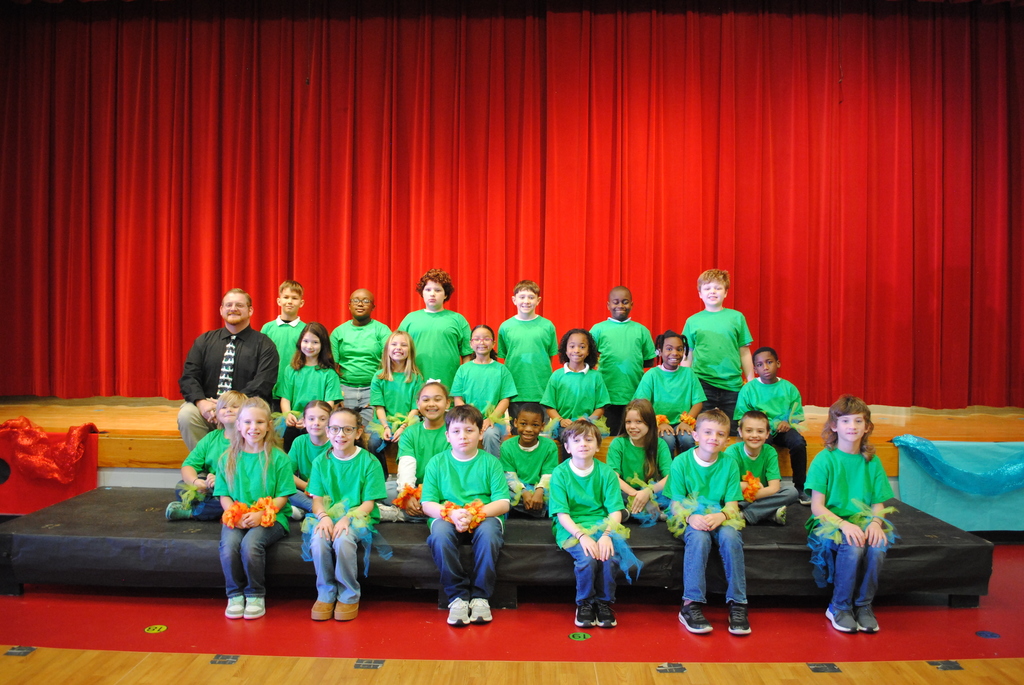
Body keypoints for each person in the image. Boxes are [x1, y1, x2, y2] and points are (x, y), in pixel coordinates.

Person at [807, 395, 896, 634]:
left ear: (867, 426)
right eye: (846, 421)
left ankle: (864, 605)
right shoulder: (825, 459)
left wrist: (876, 524)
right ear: (834, 426)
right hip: (831, 522)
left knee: (877, 547)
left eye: (859, 421)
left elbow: (878, 503)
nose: (852, 427)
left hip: (864, 520)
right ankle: (839, 606)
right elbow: (818, 507)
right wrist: (844, 526)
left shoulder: (872, 461)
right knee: (853, 545)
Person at [422, 404, 510, 626]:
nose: (463, 436)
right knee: (440, 535)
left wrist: (475, 514)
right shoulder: (437, 462)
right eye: (456, 431)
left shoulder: (490, 462)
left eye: (470, 430)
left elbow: (503, 502)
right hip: (448, 514)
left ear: (481, 434)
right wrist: (451, 514)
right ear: (447, 436)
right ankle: (457, 597)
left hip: (483, 514)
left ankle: (481, 596)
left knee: (490, 533)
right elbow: (427, 503)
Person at [666, 408, 750, 636]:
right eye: (708, 432)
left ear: (727, 440)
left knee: (731, 536)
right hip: (690, 515)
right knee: (699, 537)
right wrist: (690, 516)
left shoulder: (730, 463)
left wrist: (722, 515)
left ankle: (738, 603)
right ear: (695, 435)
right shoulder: (681, 463)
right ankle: (690, 604)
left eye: (720, 434)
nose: (714, 438)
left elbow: (732, 504)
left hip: (718, 515)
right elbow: (675, 504)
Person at [214, 398, 296, 620]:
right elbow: (224, 494)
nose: (253, 428)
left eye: (260, 422)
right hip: (238, 515)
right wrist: (234, 513)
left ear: (268, 425)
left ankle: (255, 593)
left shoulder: (279, 458)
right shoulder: (227, 458)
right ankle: (234, 594)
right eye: (248, 422)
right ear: (238, 425)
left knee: (251, 545)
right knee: (229, 546)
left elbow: (283, 495)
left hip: (272, 516)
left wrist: (262, 515)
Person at [549, 419, 634, 629]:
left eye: (589, 439)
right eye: (576, 440)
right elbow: (562, 515)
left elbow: (616, 511)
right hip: (572, 527)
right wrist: (582, 536)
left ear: (597, 446)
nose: (583, 444)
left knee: (609, 557)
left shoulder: (606, 473)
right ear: (567, 447)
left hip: (603, 524)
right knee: (587, 559)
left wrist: (605, 536)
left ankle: (604, 603)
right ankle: (585, 603)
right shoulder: (560, 473)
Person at [307, 407, 387, 622]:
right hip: (328, 514)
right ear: (328, 430)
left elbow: (369, 503)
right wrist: (323, 517)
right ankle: (325, 592)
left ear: (358, 433)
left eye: (347, 429)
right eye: (334, 429)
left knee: (342, 539)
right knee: (318, 539)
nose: (340, 435)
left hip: (359, 515)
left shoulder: (369, 462)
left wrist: (348, 518)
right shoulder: (320, 462)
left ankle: (349, 595)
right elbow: (316, 499)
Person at [178, 289, 279, 450]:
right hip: (209, 409)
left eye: (239, 305)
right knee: (187, 414)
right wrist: (201, 403)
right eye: (229, 305)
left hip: (246, 408)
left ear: (250, 310)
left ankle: (237, 466)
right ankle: (205, 464)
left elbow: (264, 382)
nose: (233, 308)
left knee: (251, 414)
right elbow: (189, 377)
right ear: (221, 310)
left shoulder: (265, 345)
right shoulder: (204, 341)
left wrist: (231, 407)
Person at [735, 346, 810, 504]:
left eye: (769, 362)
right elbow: (743, 416)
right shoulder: (748, 389)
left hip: (783, 430)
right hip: (760, 431)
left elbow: (796, 414)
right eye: (760, 365)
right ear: (755, 369)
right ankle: (764, 487)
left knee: (798, 443)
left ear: (778, 363)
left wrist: (788, 422)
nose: (766, 367)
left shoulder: (789, 388)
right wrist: (761, 426)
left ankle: (800, 487)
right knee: (760, 444)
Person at [681, 270, 754, 434]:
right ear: (700, 294)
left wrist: (751, 381)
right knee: (702, 430)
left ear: (726, 292)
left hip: (732, 385)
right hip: (702, 384)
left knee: (734, 431)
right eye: (707, 288)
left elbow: (744, 351)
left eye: (717, 288)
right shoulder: (692, 321)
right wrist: (686, 382)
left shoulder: (737, 318)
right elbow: (687, 354)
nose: (712, 292)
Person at [166, 390, 245, 521]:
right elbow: (188, 466)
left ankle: (192, 513)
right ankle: (210, 510)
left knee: (229, 499)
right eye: (224, 407)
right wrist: (196, 482)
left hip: (236, 488)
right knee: (181, 487)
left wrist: (221, 480)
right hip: (211, 487)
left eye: (235, 407)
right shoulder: (211, 439)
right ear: (217, 414)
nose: (229, 410)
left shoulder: (248, 439)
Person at [379, 381, 452, 522]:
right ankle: (425, 511)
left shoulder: (454, 430)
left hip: (443, 487)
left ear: (447, 403)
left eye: (437, 399)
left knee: (456, 498)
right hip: (416, 487)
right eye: (426, 400)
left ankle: (400, 514)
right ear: (418, 404)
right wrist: (407, 494)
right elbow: (407, 465)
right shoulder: (410, 432)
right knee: (382, 490)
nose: (431, 404)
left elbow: (449, 471)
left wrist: (427, 491)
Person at [590, 286, 656, 436]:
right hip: (607, 396)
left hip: (634, 394)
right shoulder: (598, 329)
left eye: (625, 302)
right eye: (616, 302)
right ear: (608, 305)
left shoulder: (641, 331)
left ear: (632, 305)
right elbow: (589, 359)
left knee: (633, 436)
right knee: (609, 437)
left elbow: (648, 362)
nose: (620, 306)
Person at [632, 330, 705, 455]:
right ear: (660, 352)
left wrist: (686, 422)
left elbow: (698, 402)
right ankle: (666, 473)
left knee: (687, 439)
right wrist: (657, 423)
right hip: (656, 422)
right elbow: (642, 404)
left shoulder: (689, 374)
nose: (674, 353)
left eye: (679, 349)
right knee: (667, 440)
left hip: (682, 422)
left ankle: (686, 471)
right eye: (669, 349)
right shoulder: (652, 375)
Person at [398, 268, 472, 390]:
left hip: (449, 382)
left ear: (446, 294)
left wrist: (464, 381)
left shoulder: (458, 319)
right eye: (428, 289)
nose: (432, 294)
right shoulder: (410, 319)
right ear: (422, 293)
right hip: (413, 382)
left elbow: (467, 354)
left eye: (438, 290)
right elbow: (397, 351)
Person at [452, 324, 517, 457]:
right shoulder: (463, 369)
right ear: (471, 344)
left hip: (493, 421)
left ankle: (494, 471)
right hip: (467, 420)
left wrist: (491, 418)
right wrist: (469, 418)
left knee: (490, 435)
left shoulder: (501, 370)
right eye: (477, 339)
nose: (481, 342)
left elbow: (505, 399)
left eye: (486, 339)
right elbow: (457, 398)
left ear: (493, 343)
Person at [723, 410, 798, 525]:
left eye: (760, 431)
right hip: (738, 496)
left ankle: (743, 514)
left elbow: (774, 488)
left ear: (767, 434)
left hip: (761, 494)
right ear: (740, 432)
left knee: (791, 492)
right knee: (722, 498)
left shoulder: (769, 452)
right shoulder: (732, 452)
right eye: (749, 431)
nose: (754, 435)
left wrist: (754, 495)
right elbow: (726, 486)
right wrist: (748, 486)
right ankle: (768, 513)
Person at [497, 280, 558, 422]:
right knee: (518, 431)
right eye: (522, 297)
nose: (526, 301)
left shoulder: (547, 326)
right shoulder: (505, 327)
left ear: (538, 300)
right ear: (514, 300)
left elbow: (550, 357)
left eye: (531, 297)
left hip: (541, 391)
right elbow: (505, 356)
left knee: (542, 432)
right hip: (515, 390)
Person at [330, 289, 391, 426]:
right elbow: (332, 368)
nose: (360, 304)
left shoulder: (382, 330)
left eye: (366, 301)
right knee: (344, 428)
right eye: (356, 300)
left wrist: (378, 393)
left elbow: (390, 363)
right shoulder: (338, 332)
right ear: (349, 305)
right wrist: (337, 394)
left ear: (373, 307)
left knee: (370, 435)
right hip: (344, 390)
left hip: (373, 388)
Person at [605, 399, 672, 524]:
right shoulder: (619, 443)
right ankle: (640, 510)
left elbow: (669, 476)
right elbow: (613, 477)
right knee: (609, 493)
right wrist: (635, 495)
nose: (632, 427)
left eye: (639, 422)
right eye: (628, 422)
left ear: (649, 423)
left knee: (672, 494)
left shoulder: (660, 444)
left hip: (651, 491)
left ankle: (630, 512)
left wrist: (648, 492)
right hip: (626, 492)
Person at [278, 322, 343, 450]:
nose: (309, 346)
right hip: (295, 419)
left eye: (315, 342)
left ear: (323, 345)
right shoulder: (291, 370)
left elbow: (328, 404)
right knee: (290, 434)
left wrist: (311, 419)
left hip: (318, 420)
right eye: (306, 341)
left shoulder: (329, 373)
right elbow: (285, 399)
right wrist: (287, 414)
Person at [368, 330, 424, 472]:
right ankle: (381, 477)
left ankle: (408, 477)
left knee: (410, 440)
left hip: (409, 421)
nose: (398, 348)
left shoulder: (416, 378)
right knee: (373, 442)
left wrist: (403, 426)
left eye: (403, 345)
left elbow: (415, 408)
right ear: (387, 349)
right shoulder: (378, 377)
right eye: (394, 344)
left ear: (410, 351)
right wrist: (386, 427)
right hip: (383, 422)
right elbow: (379, 407)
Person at [541, 329, 610, 439]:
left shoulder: (596, 376)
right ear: (566, 350)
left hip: (588, 424)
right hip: (564, 425)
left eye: (582, 347)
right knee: (570, 436)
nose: (576, 350)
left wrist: (589, 419)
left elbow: (601, 406)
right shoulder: (557, 375)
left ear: (588, 351)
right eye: (572, 346)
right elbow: (549, 406)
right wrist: (561, 420)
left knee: (587, 436)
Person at [499, 403, 558, 517]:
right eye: (523, 424)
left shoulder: (549, 446)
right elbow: (509, 476)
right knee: (502, 495)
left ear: (542, 426)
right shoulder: (507, 446)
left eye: (535, 425)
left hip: (541, 489)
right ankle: (534, 509)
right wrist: (524, 492)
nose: (528, 429)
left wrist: (540, 491)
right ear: (515, 423)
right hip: (517, 490)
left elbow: (548, 474)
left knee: (558, 494)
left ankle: (531, 507)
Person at [260, 280, 306, 410]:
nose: (289, 301)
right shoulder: (267, 328)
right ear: (279, 301)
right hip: (269, 389)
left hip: (295, 389)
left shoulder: (306, 330)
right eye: (285, 297)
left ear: (301, 303)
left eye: (294, 298)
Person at [287, 401, 333, 518]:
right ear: (304, 421)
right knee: (285, 490)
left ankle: (308, 510)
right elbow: (286, 473)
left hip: (328, 492)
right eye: (311, 419)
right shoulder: (299, 442)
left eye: (322, 419)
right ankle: (314, 509)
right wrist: (306, 487)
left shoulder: (335, 442)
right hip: (306, 490)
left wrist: (316, 489)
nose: (316, 423)